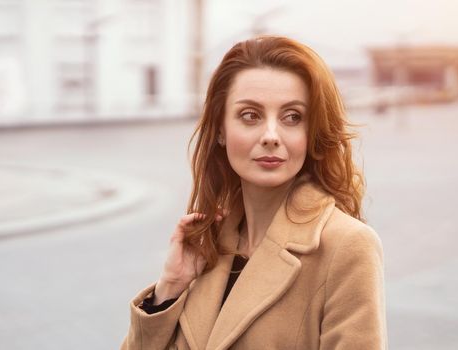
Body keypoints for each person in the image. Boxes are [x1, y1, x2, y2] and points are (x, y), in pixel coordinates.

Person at [121, 35, 387, 350]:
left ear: (311, 132)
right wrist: (169, 290)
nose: (271, 136)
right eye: (250, 115)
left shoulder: (347, 246)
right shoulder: (209, 243)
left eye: (292, 117)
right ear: (221, 129)